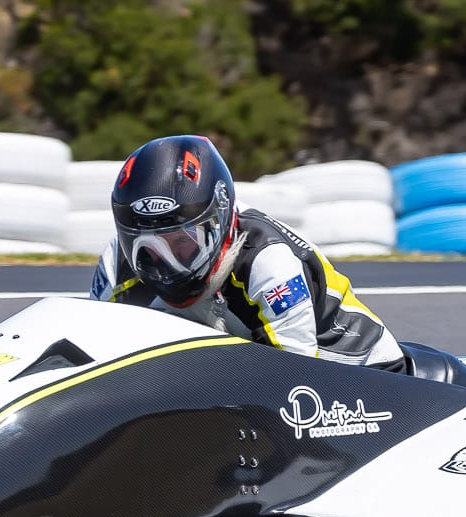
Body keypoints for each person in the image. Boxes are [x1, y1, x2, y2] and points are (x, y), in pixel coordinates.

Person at [90, 134, 406, 368]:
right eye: (145, 246)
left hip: (358, 374)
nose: (164, 266)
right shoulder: (118, 266)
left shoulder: (266, 260)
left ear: (218, 222)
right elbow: (92, 357)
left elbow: (297, 381)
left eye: (182, 243)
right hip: (240, 366)